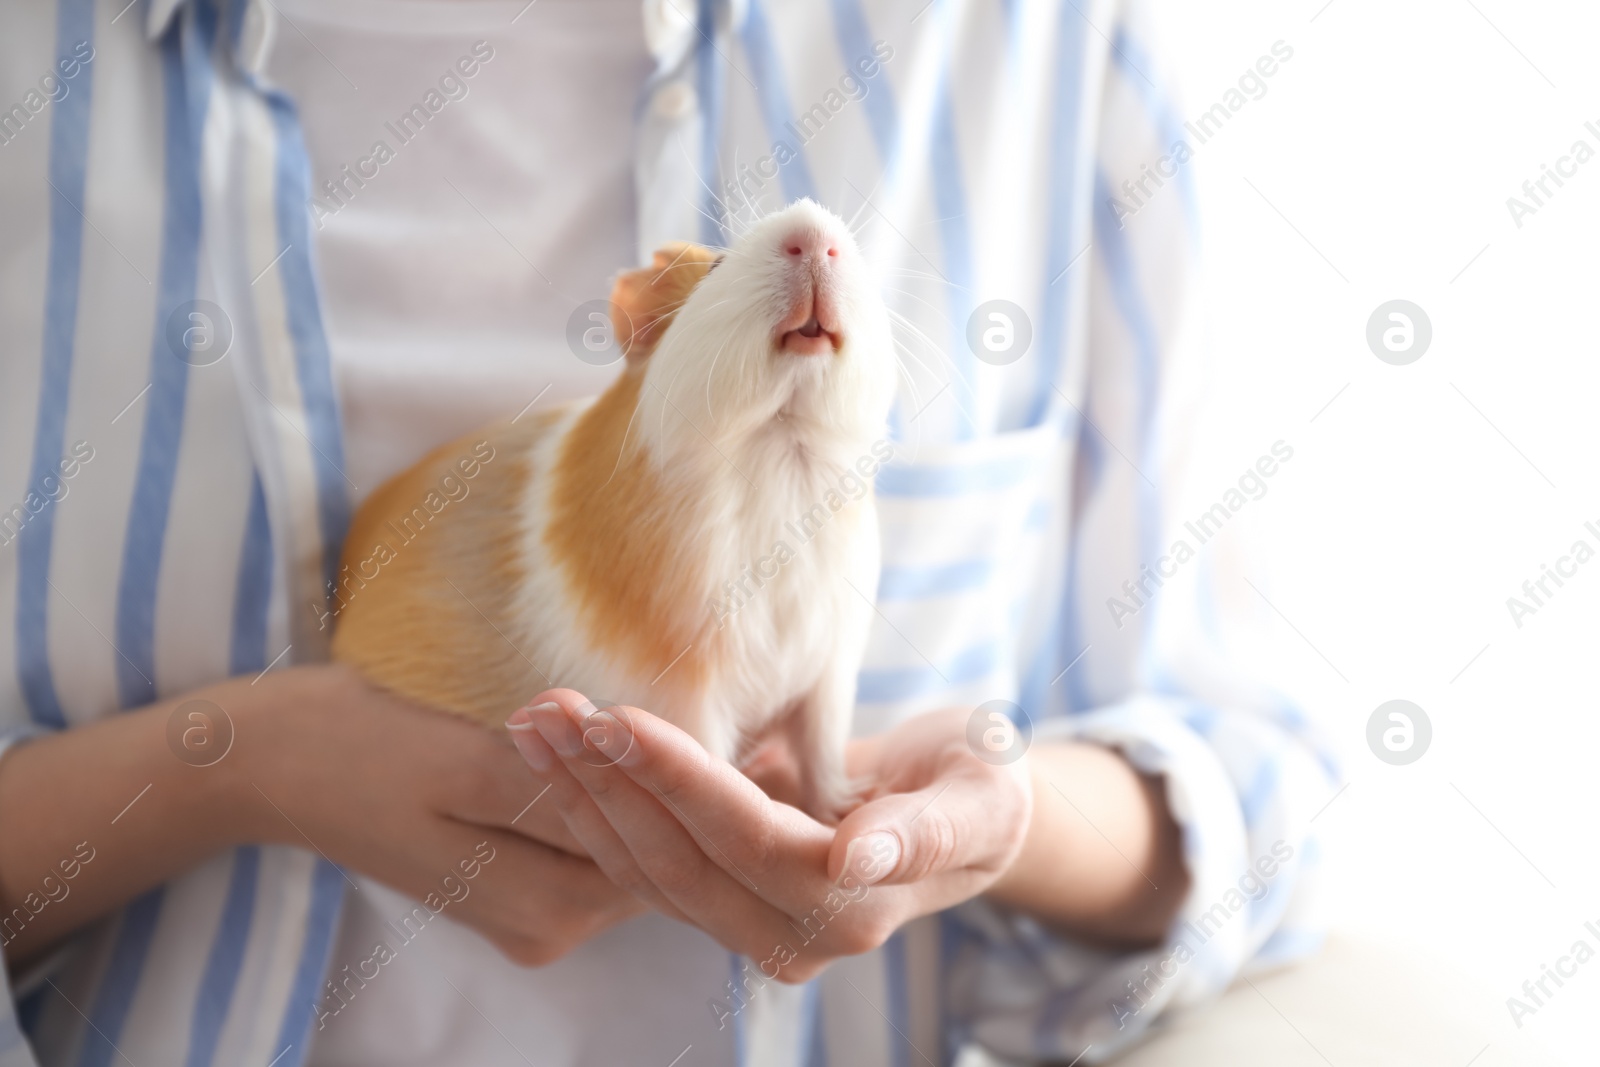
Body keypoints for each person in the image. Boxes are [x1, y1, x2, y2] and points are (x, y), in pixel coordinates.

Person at [0, 1, 1338, 1064]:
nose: (819, 260)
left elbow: (1267, 794)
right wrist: (233, 766)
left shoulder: (1039, 33)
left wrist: (999, 822)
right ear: (646, 331)